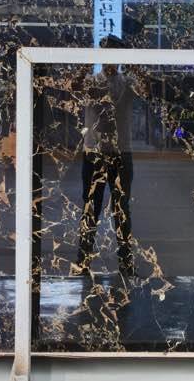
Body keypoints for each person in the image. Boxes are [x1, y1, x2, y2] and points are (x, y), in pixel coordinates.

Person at [74, 35, 136, 278]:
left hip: (120, 152)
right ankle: (83, 260)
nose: (111, 60)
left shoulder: (127, 82)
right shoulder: (92, 81)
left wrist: (134, 62)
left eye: (115, 54)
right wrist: (88, 60)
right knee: (91, 208)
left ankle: (125, 263)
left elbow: (148, 89)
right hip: (95, 153)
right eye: (106, 53)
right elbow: (74, 86)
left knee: (121, 210)